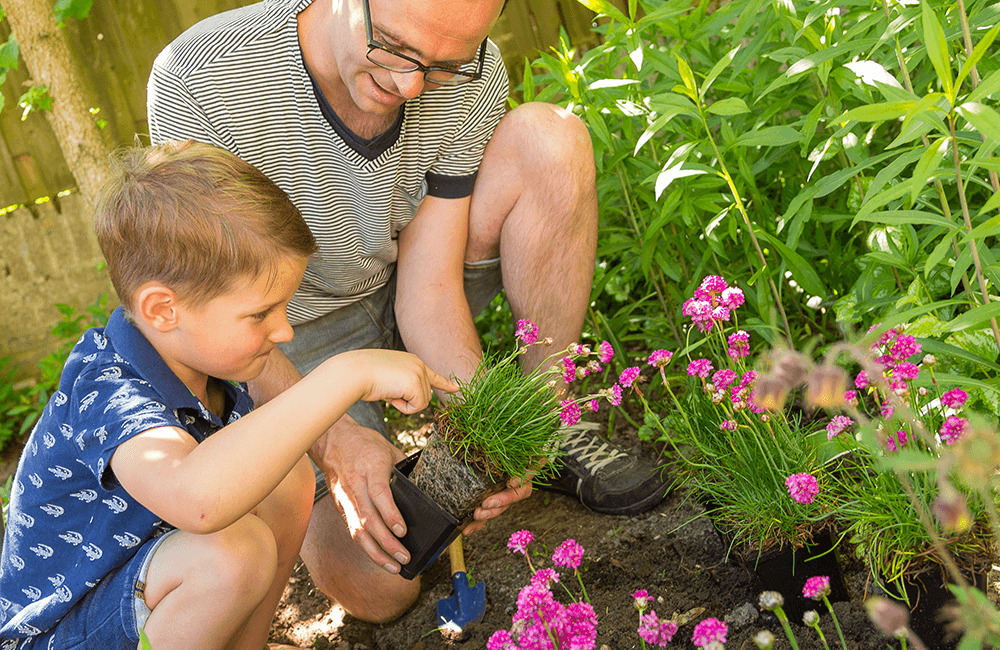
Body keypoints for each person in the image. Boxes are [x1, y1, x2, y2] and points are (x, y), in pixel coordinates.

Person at [146, 0, 668, 623]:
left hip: (402, 280)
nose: (409, 85)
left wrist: (488, 427)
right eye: (391, 47)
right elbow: (219, 321)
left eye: (444, 63)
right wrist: (335, 440)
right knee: (384, 586)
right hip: (283, 331)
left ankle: (544, 417)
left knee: (550, 140)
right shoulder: (202, 78)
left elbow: (429, 290)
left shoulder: (473, 75)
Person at [0, 140, 455, 650]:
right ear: (162, 309)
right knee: (228, 556)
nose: (283, 332)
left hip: (141, 595)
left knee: (284, 478)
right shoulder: (106, 388)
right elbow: (198, 501)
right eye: (260, 314)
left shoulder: (203, 358)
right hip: (61, 634)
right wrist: (345, 375)